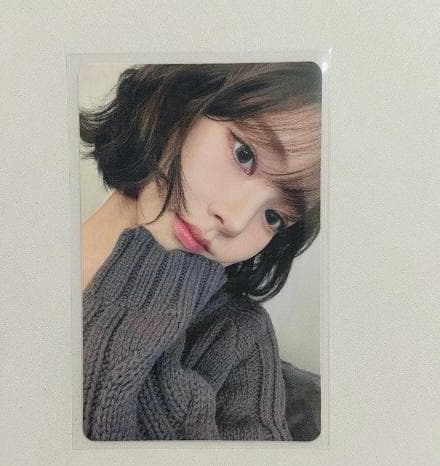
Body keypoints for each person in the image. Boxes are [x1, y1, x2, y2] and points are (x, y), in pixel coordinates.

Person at [80, 63, 322, 441]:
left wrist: (150, 288)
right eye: (244, 154)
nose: (235, 221)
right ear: (181, 106)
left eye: (274, 217)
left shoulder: (241, 337)